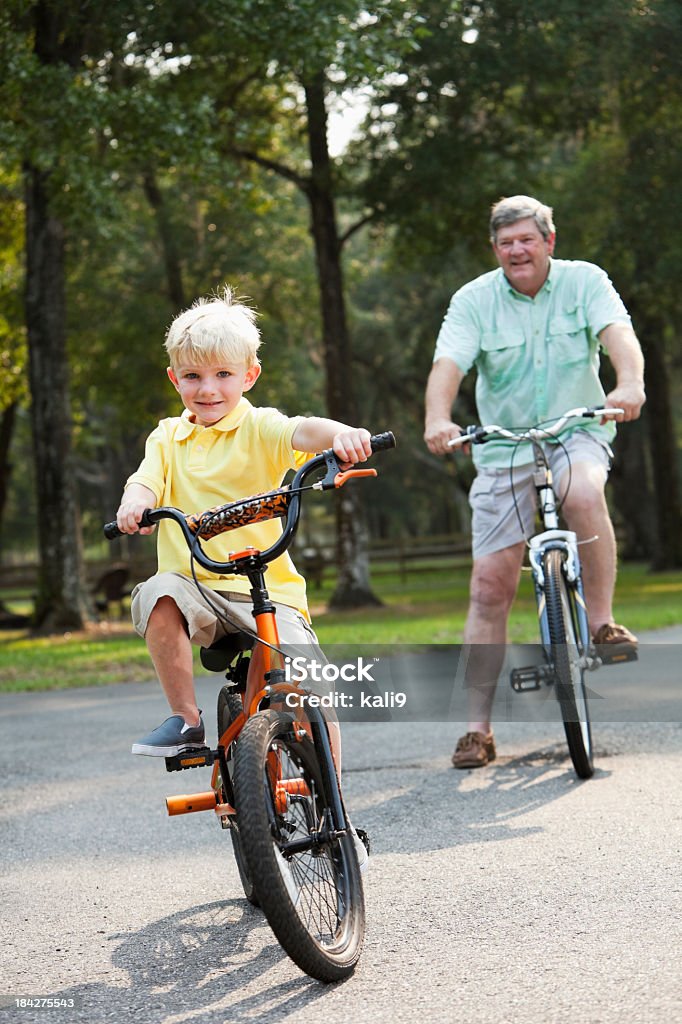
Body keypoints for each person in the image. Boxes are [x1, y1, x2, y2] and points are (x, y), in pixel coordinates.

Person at [424, 195, 646, 769]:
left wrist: (629, 385)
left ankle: (600, 623)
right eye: (506, 242)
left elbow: (619, 336)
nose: (517, 250)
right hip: (503, 446)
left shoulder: (584, 282)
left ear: (549, 240)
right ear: (495, 249)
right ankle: (477, 729)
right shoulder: (474, 300)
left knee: (583, 491)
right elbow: (448, 363)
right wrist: (438, 420)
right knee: (489, 587)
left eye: (527, 239)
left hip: (577, 430)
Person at [116, 286, 372, 763]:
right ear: (174, 379)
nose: (207, 389)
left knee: (311, 691)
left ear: (249, 375)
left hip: (269, 591)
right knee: (157, 594)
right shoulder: (168, 437)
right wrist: (134, 504)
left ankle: (335, 808)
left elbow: (305, 429)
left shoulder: (261, 427)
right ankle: (185, 720)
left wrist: (343, 435)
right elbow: (144, 481)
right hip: (198, 586)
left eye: (223, 375)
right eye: (192, 376)